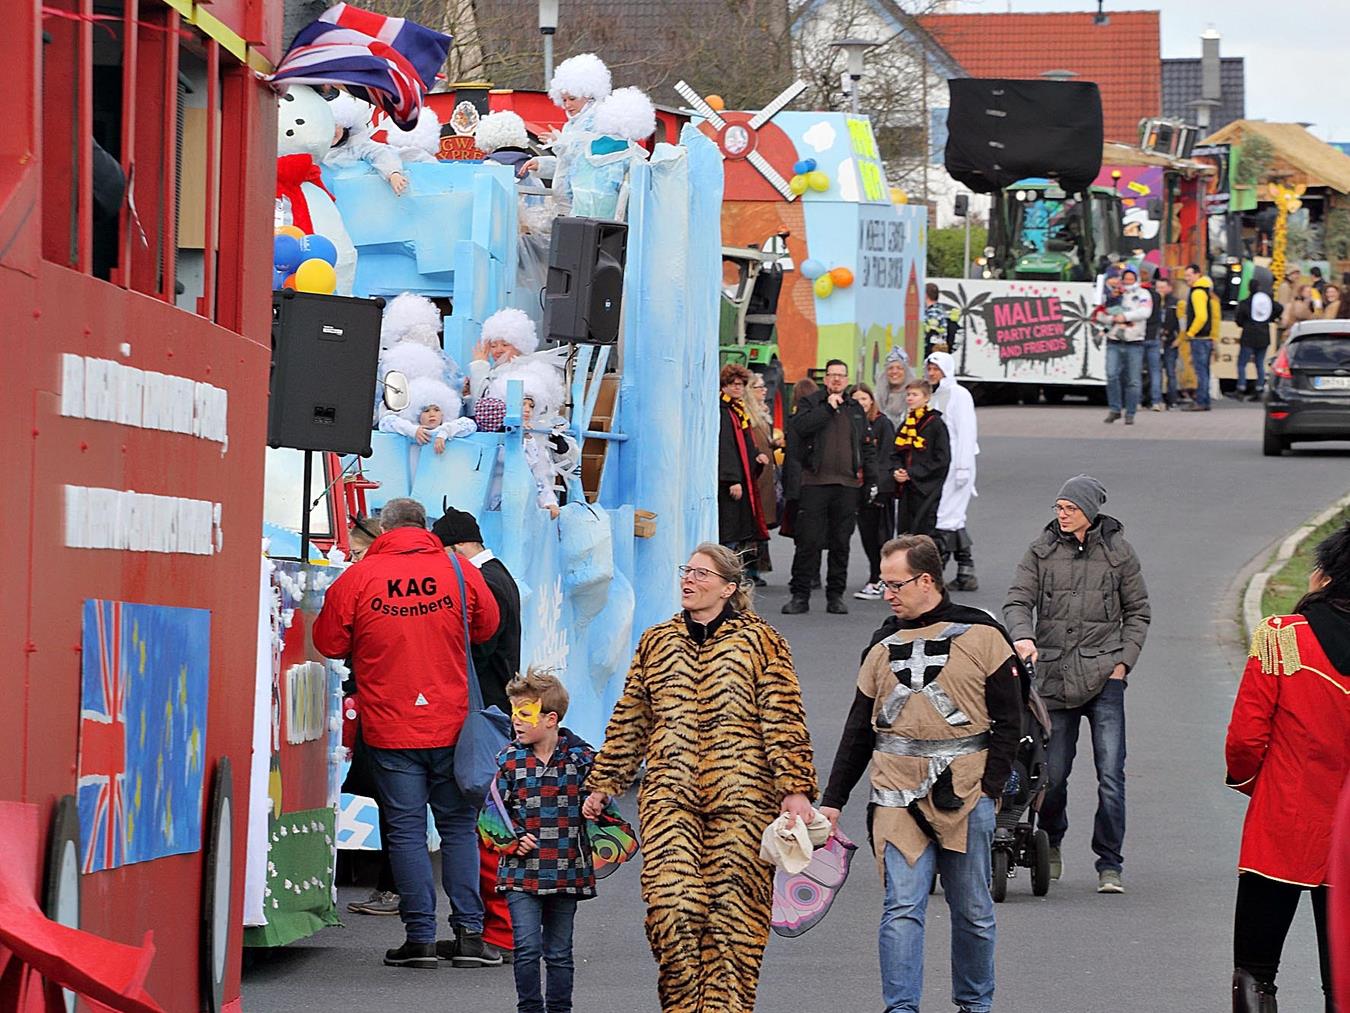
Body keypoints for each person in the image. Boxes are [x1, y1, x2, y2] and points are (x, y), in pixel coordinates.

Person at [582, 544, 816, 1013]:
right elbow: (632, 718)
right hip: (670, 796)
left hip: (745, 799)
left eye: (702, 574)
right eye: (686, 570)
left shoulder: (761, 641)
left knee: (734, 923)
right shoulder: (657, 641)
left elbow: (783, 717)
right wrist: (604, 781)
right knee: (673, 910)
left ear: (729, 588)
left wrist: (794, 789)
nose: (689, 580)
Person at [819, 534, 1022, 1013]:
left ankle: (975, 1006)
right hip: (894, 796)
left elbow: (1010, 722)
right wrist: (833, 800)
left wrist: (991, 790)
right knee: (902, 910)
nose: (886, 592)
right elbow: (858, 730)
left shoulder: (985, 637)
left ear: (926, 580)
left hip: (968, 795)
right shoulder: (881, 646)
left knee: (972, 912)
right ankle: (901, 1008)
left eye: (895, 583)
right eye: (884, 583)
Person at [313, 497, 503, 969]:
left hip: (390, 723)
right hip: (453, 722)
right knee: (458, 828)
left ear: (385, 531)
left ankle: (419, 938)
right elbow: (487, 627)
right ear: (425, 528)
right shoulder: (459, 571)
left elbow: (328, 642)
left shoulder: (358, 578)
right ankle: (469, 936)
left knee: (405, 831)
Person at [1003, 476, 1150, 894]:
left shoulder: (1119, 553)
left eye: (1069, 508)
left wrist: (1123, 663)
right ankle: (1051, 841)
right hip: (1053, 678)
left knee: (1110, 775)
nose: (1062, 515)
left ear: (1088, 510)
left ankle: (1110, 862)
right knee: (1051, 774)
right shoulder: (1040, 551)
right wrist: (1022, 635)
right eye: (1058, 508)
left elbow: (1138, 612)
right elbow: (1017, 600)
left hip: (1105, 677)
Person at [1225, 521, 1350, 1013]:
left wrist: (1255, 783)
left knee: (1256, 971)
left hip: (1284, 821)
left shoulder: (1283, 637)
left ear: (1327, 575)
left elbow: (1245, 740)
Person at [433, 506, 523, 958]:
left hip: (484, 714)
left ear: (454, 548)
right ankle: (492, 929)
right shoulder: (497, 572)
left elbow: (480, 648)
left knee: (490, 823)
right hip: (497, 709)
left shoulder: (484, 581)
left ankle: (499, 932)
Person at [492, 669, 598, 1013]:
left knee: (559, 951)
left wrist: (597, 804)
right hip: (520, 873)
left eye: (525, 714)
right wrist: (512, 840)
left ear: (551, 719)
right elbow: (491, 814)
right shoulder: (509, 760)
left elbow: (603, 803)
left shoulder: (580, 759)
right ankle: (530, 1009)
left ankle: (560, 1009)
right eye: (514, 714)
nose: (516, 722)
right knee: (525, 947)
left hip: (566, 869)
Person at [341, 517, 402, 918]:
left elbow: (333, 636)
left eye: (357, 552)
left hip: (383, 711)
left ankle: (395, 889)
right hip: (396, 708)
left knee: (394, 803)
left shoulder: (368, 584)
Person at [783, 359, 866, 615]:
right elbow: (799, 428)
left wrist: (870, 481)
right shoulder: (811, 403)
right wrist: (828, 410)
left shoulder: (855, 408)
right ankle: (800, 595)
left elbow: (865, 444)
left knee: (841, 542)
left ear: (847, 379)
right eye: (832, 375)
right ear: (825, 379)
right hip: (815, 482)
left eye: (841, 375)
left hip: (847, 485)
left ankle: (835, 595)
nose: (837, 380)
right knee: (808, 541)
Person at [924, 352, 979, 592]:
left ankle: (936, 572)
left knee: (946, 516)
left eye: (936, 368)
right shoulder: (934, 394)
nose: (932, 373)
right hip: (940, 462)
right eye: (930, 368)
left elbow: (967, 431)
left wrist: (963, 467)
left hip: (957, 462)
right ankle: (966, 571)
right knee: (953, 517)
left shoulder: (959, 395)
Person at [717, 363, 769, 559]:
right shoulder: (724, 411)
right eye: (733, 384)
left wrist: (756, 455)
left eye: (741, 384)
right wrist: (732, 479)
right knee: (728, 531)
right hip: (731, 483)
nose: (738, 387)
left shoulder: (736, 410)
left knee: (736, 532)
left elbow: (744, 442)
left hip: (741, 478)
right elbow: (726, 446)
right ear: (725, 385)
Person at [852, 383, 897, 601]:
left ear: (871, 401)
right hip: (858, 488)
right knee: (867, 536)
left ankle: (882, 580)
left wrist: (879, 485)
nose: (860, 403)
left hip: (880, 488)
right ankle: (874, 576)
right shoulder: (851, 424)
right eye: (856, 399)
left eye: (863, 399)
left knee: (882, 537)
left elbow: (887, 456)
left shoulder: (882, 423)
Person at [891, 379, 951, 542]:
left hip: (926, 487)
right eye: (908, 394)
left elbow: (942, 459)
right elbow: (896, 452)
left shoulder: (935, 424)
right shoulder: (907, 424)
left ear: (926, 398)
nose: (910, 398)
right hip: (907, 487)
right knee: (905, 531)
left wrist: (912, 473)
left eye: (915, 394)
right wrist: (898, 470)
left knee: (923, 531)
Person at [1103, 266, 1152, 425]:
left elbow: (1145, 313)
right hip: (1114, 339)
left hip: (1134, 341)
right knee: (1111, 375)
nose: (1128, 281)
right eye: (1126, 278)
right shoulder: (1114, 294)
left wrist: (1125, 316)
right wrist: (1111, 318)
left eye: (1131, 278)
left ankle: (1130, 412)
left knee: (1133, 380)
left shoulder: (1143, 294)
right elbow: (1101, 313)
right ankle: (1115, 409)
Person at [745, 372, 781, 587]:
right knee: (752, 524)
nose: (764, 390)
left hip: (765, 476)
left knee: (760, 525)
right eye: (759, 387)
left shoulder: (760, 414)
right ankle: (750, 568)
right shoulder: (748, 416)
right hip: (757, 477)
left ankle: (757, 567)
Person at [1232, 280, 1283, 402]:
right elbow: (1279, 308)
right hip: (1264, 334)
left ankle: (1241, 388)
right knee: (1260, 363)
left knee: (1242, 363)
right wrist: (1271, 317)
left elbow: (1239, 318)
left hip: (1249, 334)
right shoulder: (1267, 300)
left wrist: (1242, 323)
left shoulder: (1245, 303)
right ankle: (1259, 388)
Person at [1182, 263, 1221, 411]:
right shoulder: (1207, 291)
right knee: (1205, 370)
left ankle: (1201, 401)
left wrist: (1190, 333)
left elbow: (1201, 317)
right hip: (1207, 337)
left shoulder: (1197, 292)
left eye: (1189, 275)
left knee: (1200, 372)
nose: (1187, 279)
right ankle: (1204, 401)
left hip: (1199, 338)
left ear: (1198, 274)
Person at [1156, 276, 1182, 409]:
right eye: (1158, 287)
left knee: (1171, 371)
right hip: (1156, 341)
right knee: (1156, 371)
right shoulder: (1153, 302)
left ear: (1169, 288)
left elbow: (1181, 322)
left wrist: (1179, 338)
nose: (1160, 290)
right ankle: (1157, 399)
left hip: (1171, 341)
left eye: (1162, 287)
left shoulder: (1175, 303)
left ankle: (1172, 399)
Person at [1140, 270, 1164, 412]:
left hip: (1140, 335)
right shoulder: (1157, 296)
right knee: (1155, 371)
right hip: (1154, 335)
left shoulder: (1138, 295)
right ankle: (1156, 401)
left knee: (1136, 371)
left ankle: (1137, 401)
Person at [875, 346, 913, 427]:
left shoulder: (914, 397)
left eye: (899, 368)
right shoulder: (877, 398)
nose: (894, 372)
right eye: (890, 368)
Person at [923, 283, 959, 356]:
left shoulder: (933, 312)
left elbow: (928, 333)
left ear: (925, 295)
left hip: (930, 351)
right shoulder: (941, 309)